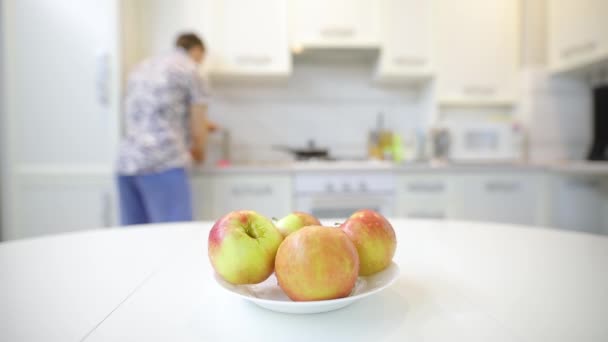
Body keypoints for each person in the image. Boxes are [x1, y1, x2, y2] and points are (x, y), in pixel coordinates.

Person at [116, 33, 213, 225]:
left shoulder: (142, 66)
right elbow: (198, 126)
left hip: (126, 162)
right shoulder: (191, 69)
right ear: (197, 50)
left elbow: (148, 114)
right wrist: (200, 152)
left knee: (133, 240)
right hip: (163, 163)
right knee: (175, 237)